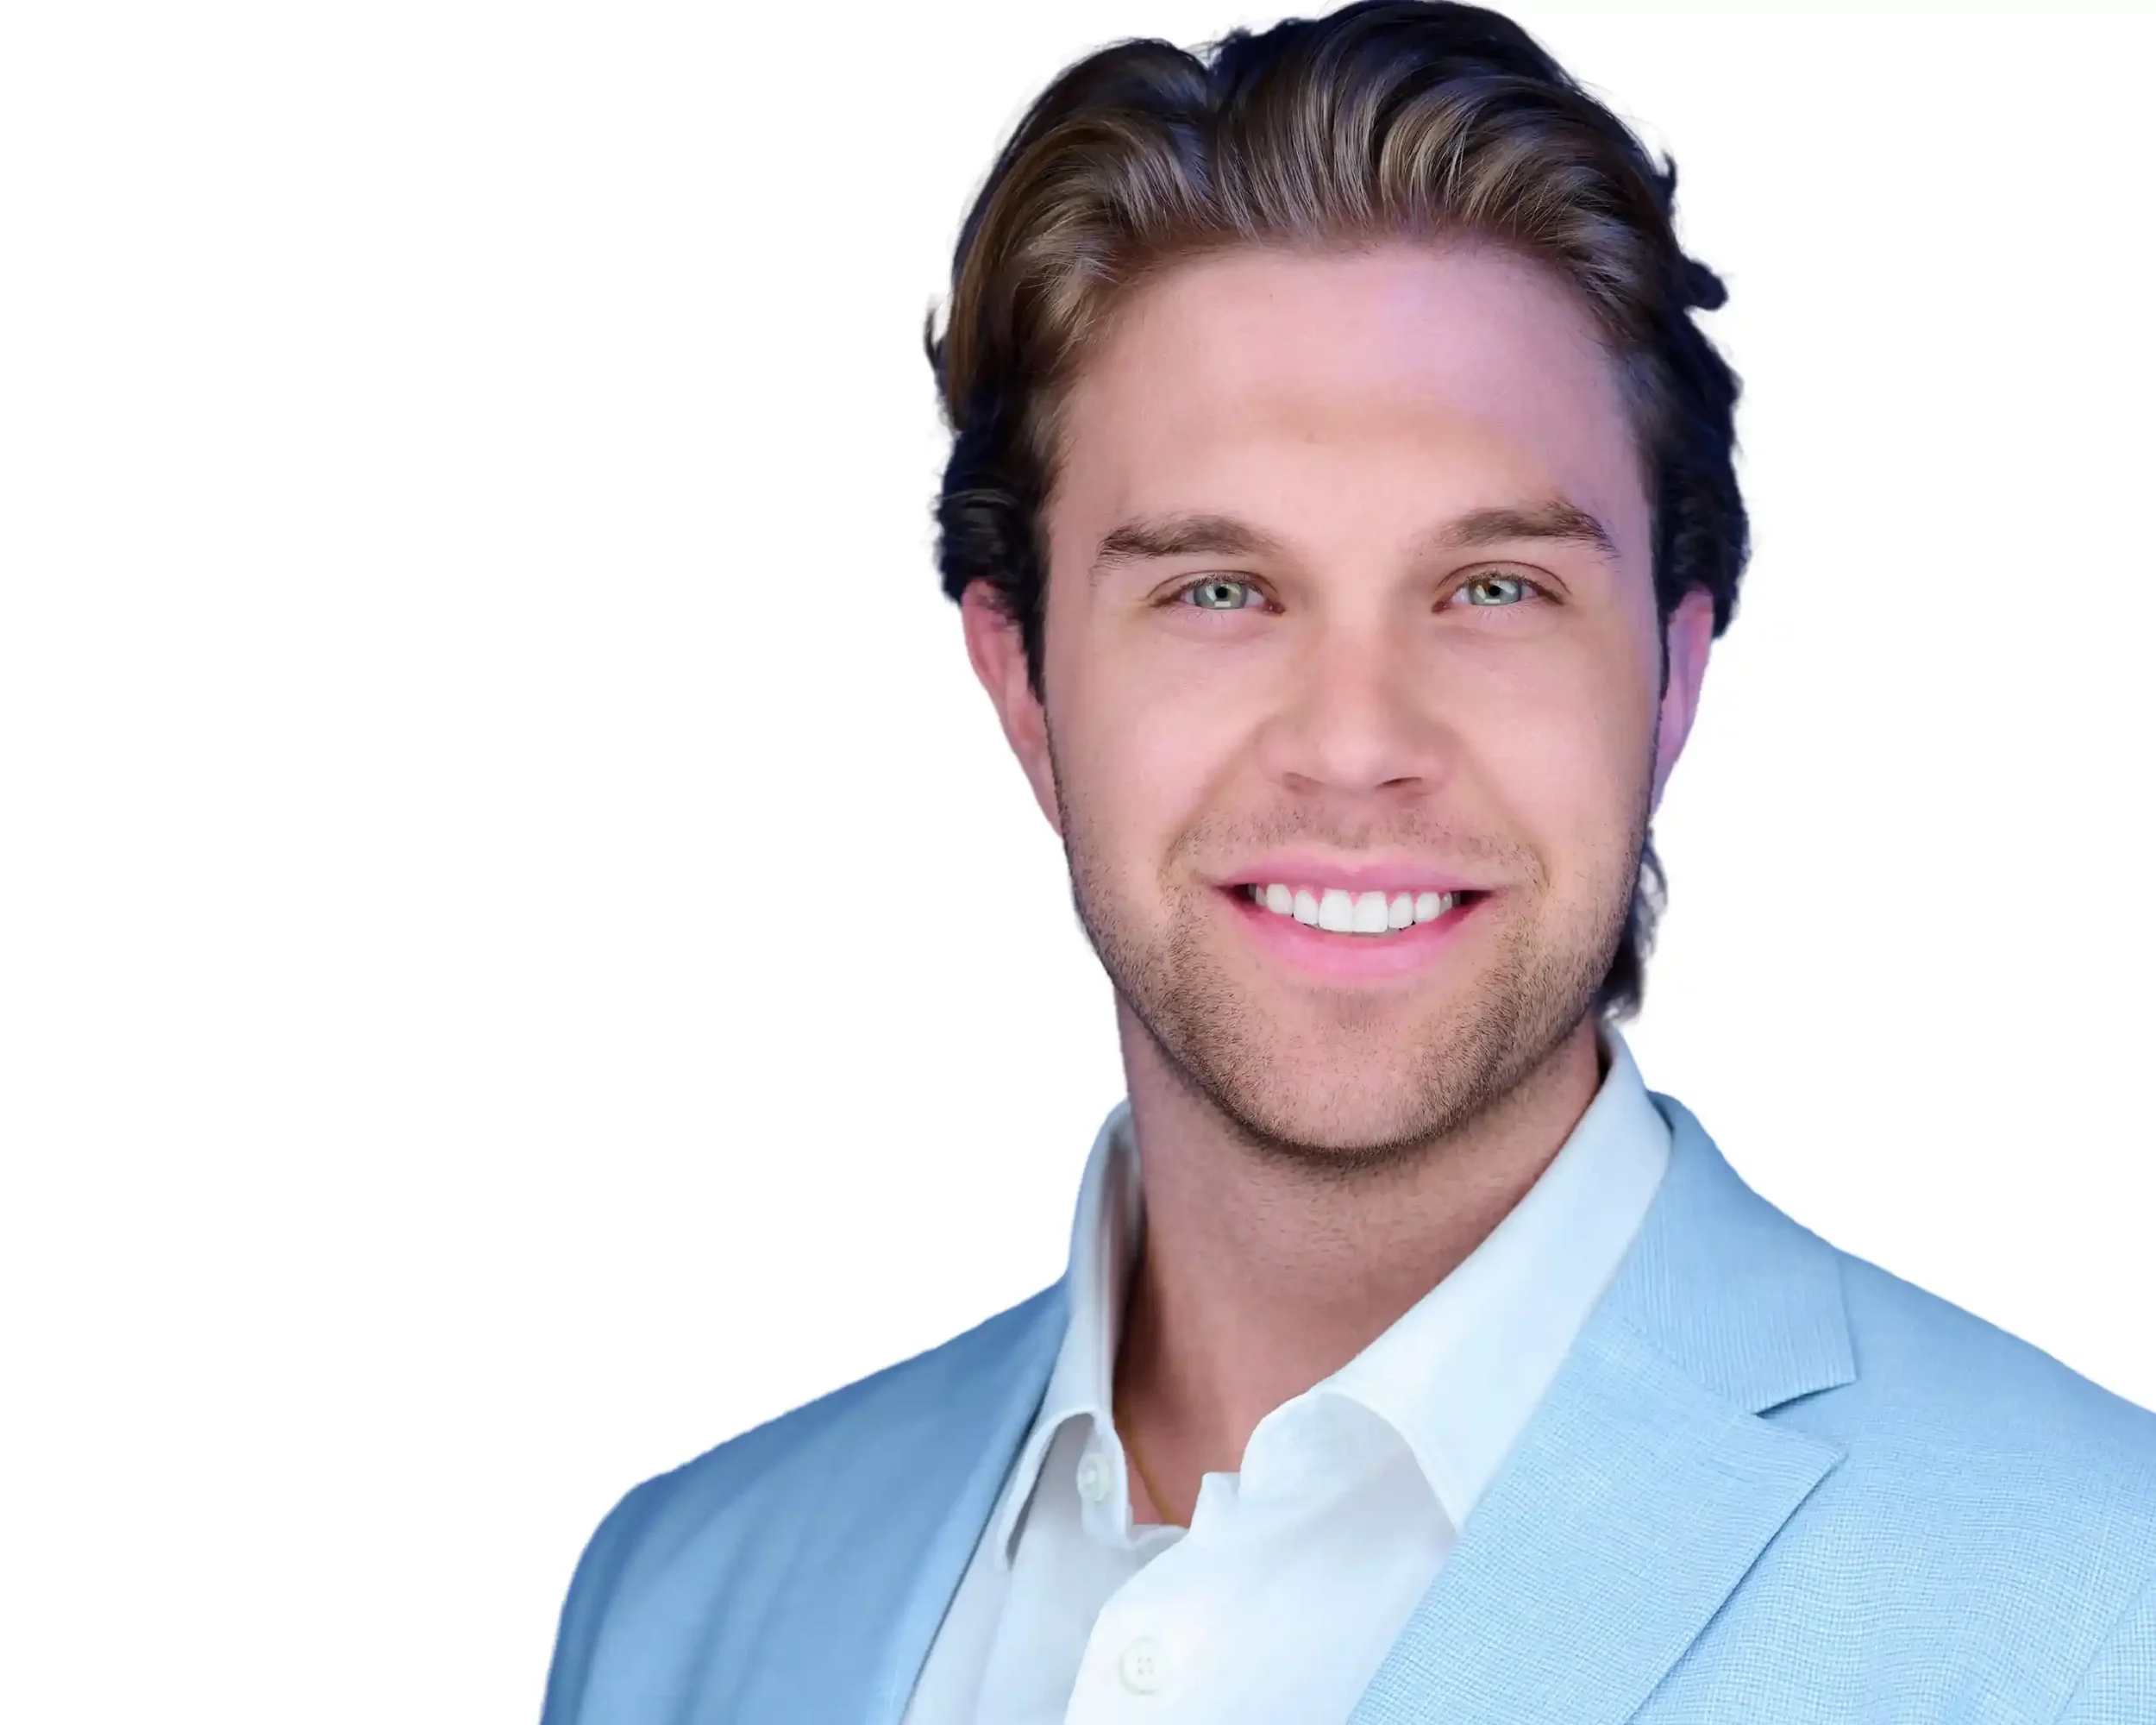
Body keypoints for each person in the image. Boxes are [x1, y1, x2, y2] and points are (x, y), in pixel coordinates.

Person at [537, 4, 2156, 1720]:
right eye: (1216, 591)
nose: (1354, 737)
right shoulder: (678, 1607)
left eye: (1492, 590)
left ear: (1674, 670)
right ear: (1019, 678)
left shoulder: (2103, 1603)